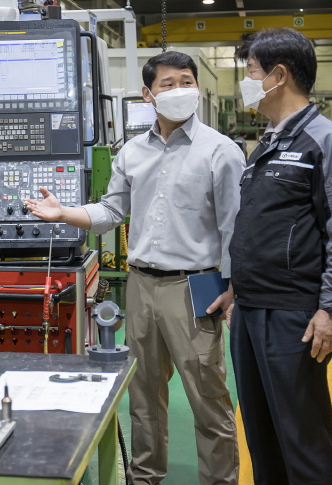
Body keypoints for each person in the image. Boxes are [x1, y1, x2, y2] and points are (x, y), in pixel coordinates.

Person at [24, 51, 244, 485]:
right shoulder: (132, 153)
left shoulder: (221, 151)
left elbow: (236, 228)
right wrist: (65, 212)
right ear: (148, 94)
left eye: (186, 81)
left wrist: (235, 290)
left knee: (208, 398)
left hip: (197, 286)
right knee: (143, 397)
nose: (179, 89)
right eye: (168, 83)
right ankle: (144, 477)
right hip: (141, 286)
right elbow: (111, 211)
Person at [224, 28, 332, 485]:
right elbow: (259, 225)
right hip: (249, 308)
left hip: (293, 315)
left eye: (249, 72)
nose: (244, 81)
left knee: (302, 438)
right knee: (262, 437)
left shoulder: (326, 140)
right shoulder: (268, 141)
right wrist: (235, 290)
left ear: (278, 75)